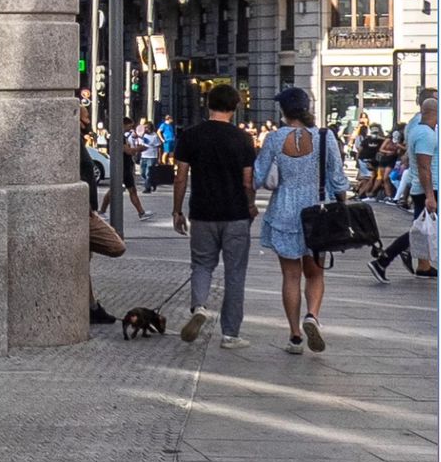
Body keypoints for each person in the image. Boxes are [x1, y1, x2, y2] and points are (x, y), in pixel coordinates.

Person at [254, 87, 348, 355]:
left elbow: (259, 177)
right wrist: (342, 198)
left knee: (291, 275)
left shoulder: (273, 138)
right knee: (315, 272)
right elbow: (337, 177)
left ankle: (295, 336)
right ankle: (313, 316)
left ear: (283, 111)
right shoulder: (324, 136)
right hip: (318, 210)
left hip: (284, 209)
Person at [171, 83, 256, 349]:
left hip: (202, 212)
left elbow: (181, 177)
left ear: (208, 104)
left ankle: (199, 307)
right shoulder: (243, 138)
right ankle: (230, 334)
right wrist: (251, 205)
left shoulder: (191, 135)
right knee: (235, 273)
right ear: (235, 108)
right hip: (235, 214)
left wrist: (177, 210)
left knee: (201, 265)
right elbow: (247, 181)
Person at [369, 97, 439, 283]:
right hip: (429, 188)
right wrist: (430, 196)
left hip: (422, 187)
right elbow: (424, 167)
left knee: (421, 229)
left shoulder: (418, 130)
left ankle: (420, 265)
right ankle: (383, 260)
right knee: (419, 230)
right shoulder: (427, 135)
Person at [100, 122, 149, 220]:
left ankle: (141, 213)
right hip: (121, 167)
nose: (131, 128)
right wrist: (140, 148)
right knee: (114, 189)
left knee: (132, 190)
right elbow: (128, 151)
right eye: (129, 126)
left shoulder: (122, 136)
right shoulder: (118, 137)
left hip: (125, 166)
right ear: (123, 125)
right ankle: (102, 211)